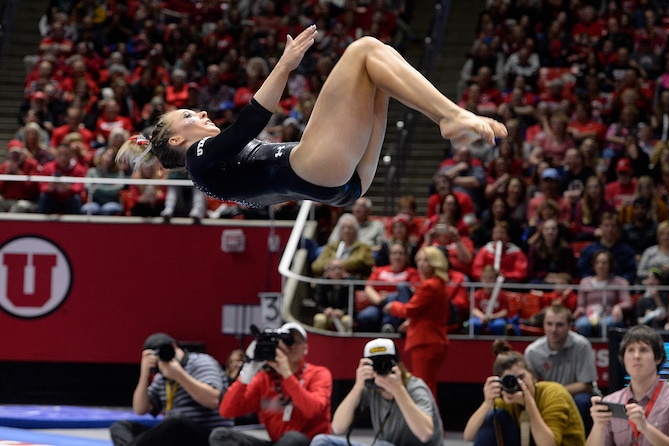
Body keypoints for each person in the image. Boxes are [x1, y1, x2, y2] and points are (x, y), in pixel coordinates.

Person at [117, 26, 506, 209]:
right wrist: (284, 66)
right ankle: (452, 118)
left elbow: (264, 192)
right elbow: (249, 125)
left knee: (378, 76)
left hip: (344, 186)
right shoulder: (197, 158)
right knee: (364, 49)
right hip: (314, 167)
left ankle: (453, 118)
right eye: (188, 115)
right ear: (176, 141)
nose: (200, 112)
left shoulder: (212, 179)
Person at [210, 322, 332, 446]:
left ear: (306, 348)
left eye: (297, 342)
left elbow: (313, 411)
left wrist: (287, 374)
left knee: (292, 439)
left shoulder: (319, 374)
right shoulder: (265, 378)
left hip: (309, 443)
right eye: (287, 341)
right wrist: (247, 374)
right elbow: (227, 411)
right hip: (278, 442)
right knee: (220, 436)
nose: (292, 346)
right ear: (278, 346)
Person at [309, 338, 443, 446]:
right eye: (376, 365)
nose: (381, 369)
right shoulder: (371, 386)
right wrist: (357, 387)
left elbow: (425, 434)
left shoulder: (415, 387)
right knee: (321, 441)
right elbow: (337, 428)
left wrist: (398, 391)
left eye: (385, 364)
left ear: (398, 366)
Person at [109, 333, 232, 446]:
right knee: (120, 427)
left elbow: (212, 400)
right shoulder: (162, 376)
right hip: (175, 436)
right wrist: (144, 375)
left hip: (207, 435)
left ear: (175, 347)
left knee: (177, 421)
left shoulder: (201, 362)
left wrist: (179, 375)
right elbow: (140, 409)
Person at [587, 325, 669, 446]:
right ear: (623, 359)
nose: (636, 356)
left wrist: (645, 428)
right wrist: (598, 425)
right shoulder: (612, 401)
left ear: (658, 358)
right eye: (630, 350)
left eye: (643, 350)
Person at [463, 339, 585, 446]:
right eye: (511, 380)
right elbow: (468, 436)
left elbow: (549, 444)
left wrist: (528, 403)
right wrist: (487, 403)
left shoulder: (554, 393)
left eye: (522, 377)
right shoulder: (505, 400)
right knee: (495, 416)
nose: (519, 383)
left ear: (532, 375)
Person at [383, 246, 449, 400]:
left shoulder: (429, 285)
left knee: (423, 388)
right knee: (427, 386)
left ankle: (427, 422)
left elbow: (409, 310)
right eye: (419, 260)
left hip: (426, 341)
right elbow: (428, 313)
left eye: (425, 260)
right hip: (434, 339)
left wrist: (393, 306)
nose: (420, 264)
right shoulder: (439, 284)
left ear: (435, 263)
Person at [525, 304, 598, 435]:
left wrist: (556, 393)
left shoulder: (582, 345)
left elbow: (586, 385)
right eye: (549, 324)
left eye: (559, 325)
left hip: (578, 397)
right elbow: (531, 386)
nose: (553, 329)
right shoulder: (532, 351)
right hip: (550, 398)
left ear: (570, 326)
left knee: (582, 401)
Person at [356, 242, 419, 333]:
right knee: (365, 316)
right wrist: (379, 299)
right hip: (379, 304)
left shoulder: (412, 272)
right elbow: (368, 288)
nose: (397, 257)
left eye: (401, 253)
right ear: (389, 256)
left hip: (400, 306)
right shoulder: (379, 270)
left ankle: (388, 326)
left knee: (392, 297)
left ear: (406, 257)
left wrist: (392, 295)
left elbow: (413, 290)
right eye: (394, 253)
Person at [574, 250, 633, 337]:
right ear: (594, 264)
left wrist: (618, 306)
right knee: (582, 324)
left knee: (607, 324)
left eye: (604, 263)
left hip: (608, 315)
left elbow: (628, 302)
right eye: (598, 262)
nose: (601, 266)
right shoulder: (585, 282)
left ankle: (607, 350)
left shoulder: (617, 281)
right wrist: (579, 311)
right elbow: (581, 306)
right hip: (589, 316)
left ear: (610, 265)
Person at [311, 214, 374, 279]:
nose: (346, 231)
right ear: (339, 230)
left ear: (355, 230)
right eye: (343, 227)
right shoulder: (330, 247)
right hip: (331, 282)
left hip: (353, 281)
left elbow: (363, 261)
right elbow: (316, 266)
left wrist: (338, 265)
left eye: (349, 227)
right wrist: (332, 266)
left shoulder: (363, 247)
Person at [312, 259, 352, 332]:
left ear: (344, 271)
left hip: (342, 314)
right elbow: (318, 304)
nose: (337, 271)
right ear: (327, 272)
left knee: (347, 320)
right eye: (334, 269)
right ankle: (320, 342)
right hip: (326, 314)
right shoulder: (322, 284)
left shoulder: (349, 285)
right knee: (319, 319)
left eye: (340, 268)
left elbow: (352, 306)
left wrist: (343, 312)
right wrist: (324, 310)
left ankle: (345, 343)